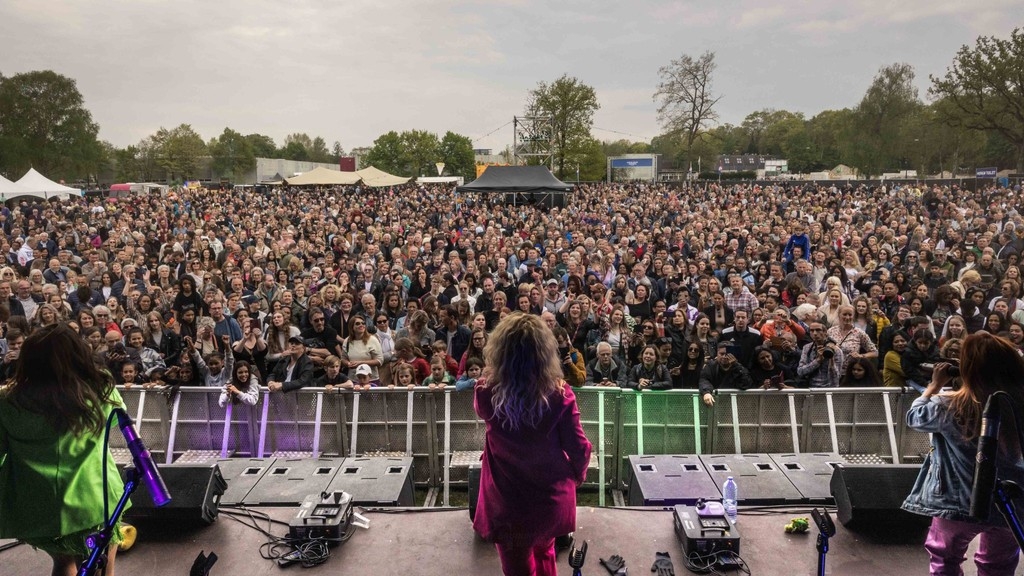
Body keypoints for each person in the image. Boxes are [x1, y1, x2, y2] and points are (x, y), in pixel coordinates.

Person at [0, 324, 127, 575]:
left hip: (40, 504)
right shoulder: (99, 391)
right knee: (100, 565)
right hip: (95, 499)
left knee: (63, 562)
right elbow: (115, 420)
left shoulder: (7, 401)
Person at [473, 313, 591, 576]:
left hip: (506, 501)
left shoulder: (484, 393)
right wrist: (577, 476)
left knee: (517, 566)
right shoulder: (561, 395)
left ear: (499, 352)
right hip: (547, 498)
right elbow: (580, 448)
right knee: (545, 550)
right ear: (545, 354)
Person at [902, 332, 1024, 575]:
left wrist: (934, 385)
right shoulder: (1018, 406)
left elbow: (914, 417)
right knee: (998, 567)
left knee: (944, 560)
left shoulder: (948, 406)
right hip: (1012, 503)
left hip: (957, 504)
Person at [797, 321, 844, 388]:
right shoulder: (807, 348)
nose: (815, 333)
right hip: (810, 388)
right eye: (812, 331)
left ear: (825, 332)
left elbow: (836, 377)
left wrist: (831, 358)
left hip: (829, 389)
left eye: (818, 330)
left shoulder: (836, 350)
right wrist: (818, 361)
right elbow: (800, 371)